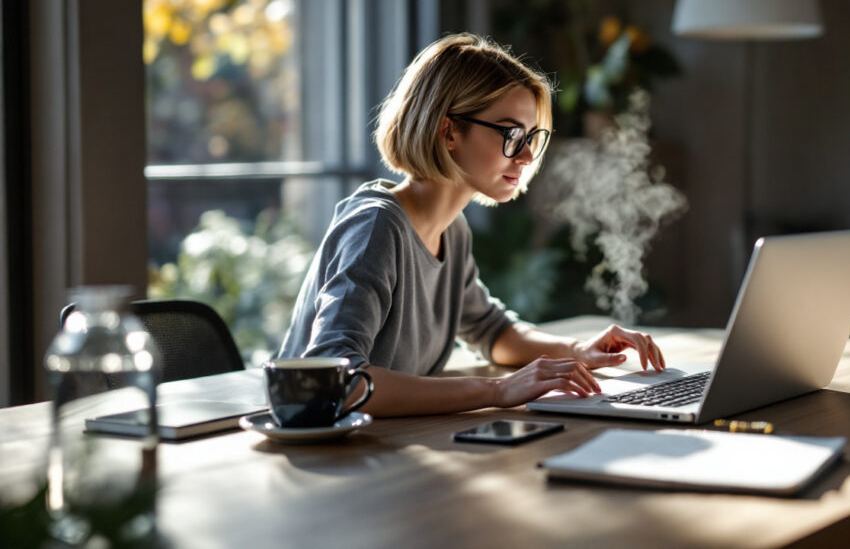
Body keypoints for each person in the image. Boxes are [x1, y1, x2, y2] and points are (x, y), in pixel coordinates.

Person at [276, 33, 664, 417]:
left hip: (388, 440)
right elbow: (338, 382)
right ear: (448, 132)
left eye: (532, 136)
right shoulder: (376, 227)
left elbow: (492, 331)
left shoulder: (452, 230)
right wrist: (498, 390)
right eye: (511, 134)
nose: (527, 155)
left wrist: (579, 351)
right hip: (319, 444)